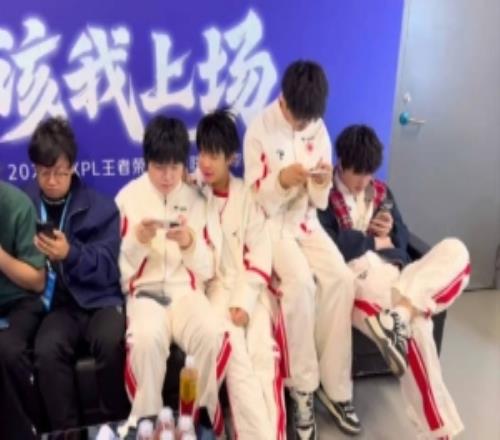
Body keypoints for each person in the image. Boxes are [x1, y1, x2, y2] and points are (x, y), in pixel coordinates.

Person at [318, 124, 470, 439]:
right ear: (341, 163)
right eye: (358, 173)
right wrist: (373, 241)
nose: (364, 181)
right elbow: (329, 246)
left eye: (369, 174)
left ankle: (399, 315)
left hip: (400, 279)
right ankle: (441, 432)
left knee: (457, 250)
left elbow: (402, 240)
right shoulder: (324, 195)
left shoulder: (382, 192)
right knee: (418, 330)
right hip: (359, 280)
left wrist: (390, 231)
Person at [244, 60, 360, 438]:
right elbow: (254, 200)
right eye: (298, 118)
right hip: (273, 227)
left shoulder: (317, 127)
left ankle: (337, 390)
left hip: (307, 222)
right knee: (301, 285)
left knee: (342, 279)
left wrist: (321, 182)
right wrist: (280, 180)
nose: (302, 125)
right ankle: (303, 390)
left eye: (308, 119)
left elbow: (321, 202)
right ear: (285, 100)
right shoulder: (260, 129)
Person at [115, 115, 229, 436]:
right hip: (145, 294)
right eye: (159, 167)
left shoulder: (196, 200)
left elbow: (208, 270)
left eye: (175, 167)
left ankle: (195, 421)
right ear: (146, 162)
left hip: (186, 293)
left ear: (184, 164)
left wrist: (190, 244)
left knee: (209, 332)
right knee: (147, 340)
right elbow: (120, 274)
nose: (167, 176)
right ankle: (149, 423)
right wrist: (138, 241)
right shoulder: (127, 199)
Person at [26, 117, 128, 434]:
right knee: (46, 350)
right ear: (34, 169)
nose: (52, 181)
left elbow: (109, 266)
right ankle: (66, 434)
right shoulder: (26, 208)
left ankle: (115, 428)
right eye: (44, 172)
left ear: (72, 167)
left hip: (100, 300)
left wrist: (71, 254)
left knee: (111, 342)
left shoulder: (100, 207)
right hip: (60, 308)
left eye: (60, 172)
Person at [194, 109, 285, 439]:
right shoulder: (194, 194)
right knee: (234, 353)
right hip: (215, 291)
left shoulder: (247, 195)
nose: (205, 162)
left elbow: (260, 253)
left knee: (264, 353)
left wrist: (244, 302)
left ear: (232, 158)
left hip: (252, 289)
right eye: (202, 153)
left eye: (214, 155)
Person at [0, 180, 45, 439]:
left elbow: (37, 281)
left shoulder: (17, 204)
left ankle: (29, 430)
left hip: (18, 301)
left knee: (7, 351)